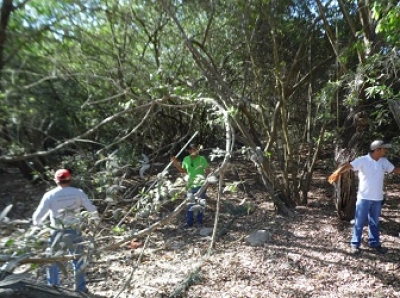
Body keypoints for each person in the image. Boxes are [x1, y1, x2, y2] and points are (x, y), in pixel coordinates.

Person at [328, 140, 400, 255]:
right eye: (384, 149)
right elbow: (348, 165)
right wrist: (337, 172)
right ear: (377, 150)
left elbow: (395, 170)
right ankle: (355, 244)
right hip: (364, 198)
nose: (386, 151)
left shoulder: (384, 161)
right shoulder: (363, 160)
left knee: (374, 222)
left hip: (377, 199)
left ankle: (375, 243)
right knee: (359, 222)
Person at [32, 169, 98, 292]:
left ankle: (53, 287)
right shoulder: (78, 192)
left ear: (56, 180)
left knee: (53, 260)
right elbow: (91, 209)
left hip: (57, 232)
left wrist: (40, 228)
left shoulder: (50, 195)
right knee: (78, 259)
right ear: (70, 179)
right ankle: (80, 288)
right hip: (74, 230)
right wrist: (95, 222)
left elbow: (37, 216)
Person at [171, 144, 210, 227]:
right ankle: (189, 223)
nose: (195, 151)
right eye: (193, 150)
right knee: (189, 204)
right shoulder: (186, 159)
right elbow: (183, 171)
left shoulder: (201, 159)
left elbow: (208, 171)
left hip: (200, 184)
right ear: (189, 151)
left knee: (200, 204)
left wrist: (207, 183)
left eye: (196, 149)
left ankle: (199, 222)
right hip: (190, 185)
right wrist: (175, 163)